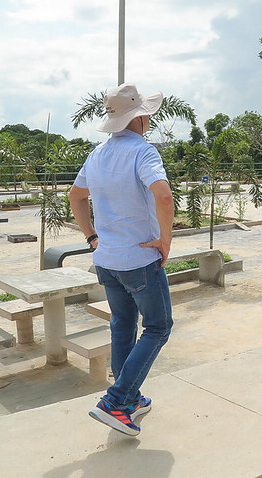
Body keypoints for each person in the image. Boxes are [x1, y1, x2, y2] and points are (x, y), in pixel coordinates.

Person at [68, 82, 175, 437]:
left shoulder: (97, 154)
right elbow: (163, 195)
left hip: (107, 258)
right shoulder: (143, 152)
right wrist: (165, 240)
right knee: (158, 327)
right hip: (140, 257)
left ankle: (130, 398)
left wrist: (91, 236)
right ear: (140, 118)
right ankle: (116, 402)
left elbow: (75, 196)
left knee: (122, 326)